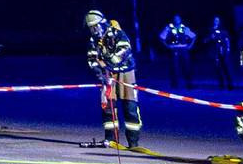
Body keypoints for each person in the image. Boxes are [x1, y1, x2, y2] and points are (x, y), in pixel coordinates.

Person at [84, 8, 144, 150]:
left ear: (102, 23)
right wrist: (100, 74)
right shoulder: (94, 40)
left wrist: (109, 64)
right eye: (91, 28)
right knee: (108, 107)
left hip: (126, 74)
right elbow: (92, 59)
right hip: (107, 75)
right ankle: (110, 140)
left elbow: (124, 51)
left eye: (95, 27)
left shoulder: (118, 34)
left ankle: (133, 143)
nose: (94, 30)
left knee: (130, 107)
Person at [158, 14, 197, 88]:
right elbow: (161, 37)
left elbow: (194, 36)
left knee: (187, 66)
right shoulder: (169, 28)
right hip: (174, 49)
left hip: (184, 49)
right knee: (174, 67)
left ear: (180, 19)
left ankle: (189, 84)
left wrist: (190, 46)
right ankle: (175, 84)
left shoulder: (184, 28)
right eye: (175, 18)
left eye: (178, 18)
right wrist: (167, 46)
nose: (177, 20)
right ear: (173, 20)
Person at [209, 16, 236, 91]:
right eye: (215, 20)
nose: (216, 21)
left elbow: (227, 40)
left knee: (227, 68)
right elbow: (206, 40)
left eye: (217, 20)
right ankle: (221, 84)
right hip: (215, 52)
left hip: (223, 51)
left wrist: (228, 49)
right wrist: (210, 38)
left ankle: (230, 84)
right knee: (218, 68)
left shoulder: (223, 30)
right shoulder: (211, 30)